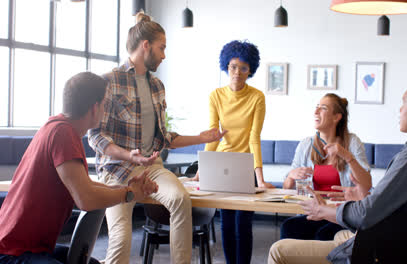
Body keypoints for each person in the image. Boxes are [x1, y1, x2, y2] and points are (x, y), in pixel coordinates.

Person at [268, 64, 407, 264]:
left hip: (381, 251)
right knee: (337, 235)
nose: (400, 109)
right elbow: (398, 212)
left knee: (278, 250)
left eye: (404, 103)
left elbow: (366, 214)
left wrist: (322, 210)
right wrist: (362, 197)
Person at [88, 12, 226, 264]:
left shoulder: (157, 87)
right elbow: (96, 136)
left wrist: (202, 136)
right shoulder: (109, 81)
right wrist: (127, 154)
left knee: (180, 199)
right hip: (117, 171)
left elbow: (164, 138)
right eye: (162, 48)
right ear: (145, 46)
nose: (164, 55)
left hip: (152, 169)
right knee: (120, 242)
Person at [0, 72, 158, 264]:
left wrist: (127, 189)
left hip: (28, 247)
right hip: (12, 252)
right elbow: (86, 199)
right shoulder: (63, 133)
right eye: (105, 105)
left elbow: (85, 186)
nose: (106, 110)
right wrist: (129, 194)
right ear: (95, 108)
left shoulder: (57, 128)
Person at [191, 40, 274, 264]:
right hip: (222, 166)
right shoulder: (215, 96)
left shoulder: (257, 97)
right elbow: (212, 136)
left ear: (251, 71)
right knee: (226, 224)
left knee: (243, 225)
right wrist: (201, 171)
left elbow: (254, 138)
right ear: (226, 66)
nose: (237, 72)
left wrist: (260, 179)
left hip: (245, 166)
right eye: (233, 66)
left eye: (243, 68)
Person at [280, 93, 371, 241]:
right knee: (289, 227)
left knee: (324, 235)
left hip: (340, 213)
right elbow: (287, 189)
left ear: (336, 117)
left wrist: (347, 156)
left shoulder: (352, 142)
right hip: (314, 211)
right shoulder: (306, 145)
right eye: (316, 108)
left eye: (322, 108)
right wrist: (291, 175)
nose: (316, 112)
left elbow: (366, 185)